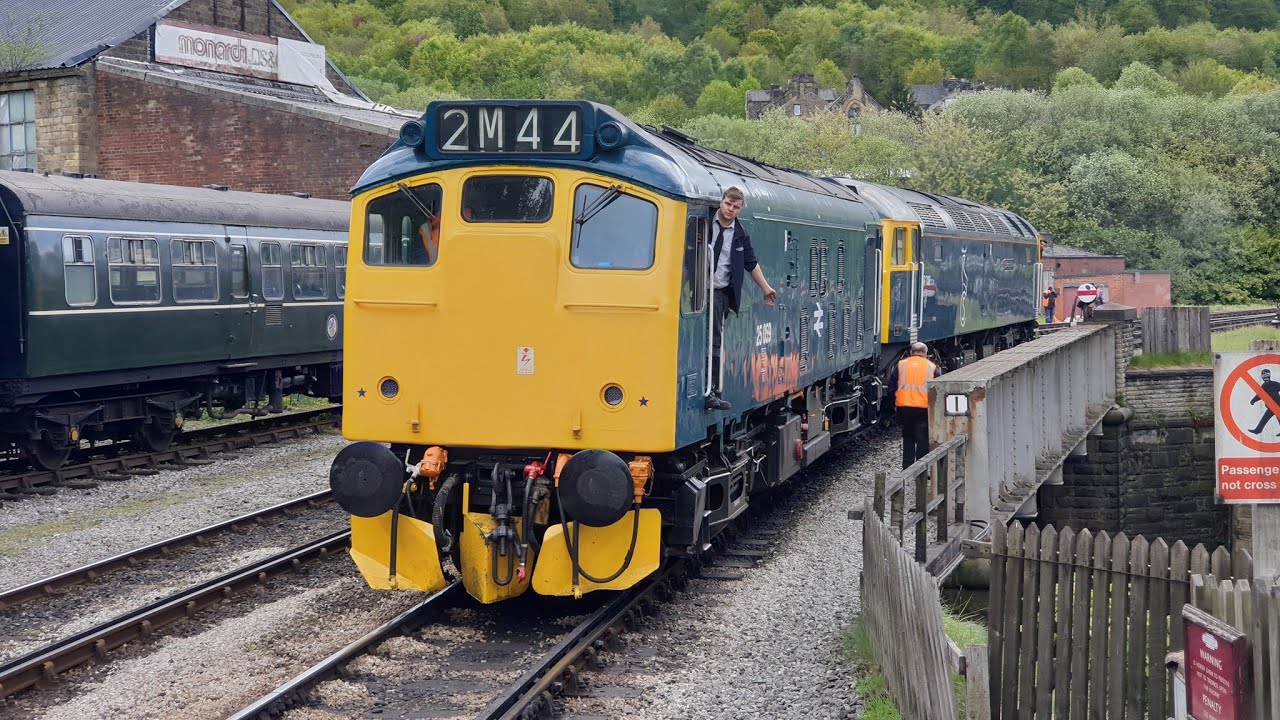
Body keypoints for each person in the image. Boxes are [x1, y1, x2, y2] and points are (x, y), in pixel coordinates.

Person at [706, 186, 777, 411]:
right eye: (728, 204)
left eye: (736, 207)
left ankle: (714, 390)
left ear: (740, 209)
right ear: (722, 202)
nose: (730, 210)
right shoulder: (704, 222)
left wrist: (766, 288)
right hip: (696, 290)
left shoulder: (739, 234)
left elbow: (751, 263)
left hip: (719, 293)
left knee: (715, 340)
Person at [891, 342, 942, 469]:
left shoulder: (901, 365)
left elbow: (892, 388)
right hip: (923, 409)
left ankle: (907, 466)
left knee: (908, 436)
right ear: (925, 354)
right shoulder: (932, 367)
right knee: (922, 438)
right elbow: (939, 389)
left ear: (911, 352)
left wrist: (892, 406)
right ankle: (921, 468)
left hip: (904, 408)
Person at [1249, 368, 1280, 435]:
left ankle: (1258, 430)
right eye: (1263, 375)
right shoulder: (1264, 386)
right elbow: (1260, 395)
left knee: (1269, 418)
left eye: (1266, 375)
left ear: (1269, 375)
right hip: (1271, 406)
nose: (1265, 377)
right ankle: (1258, 430)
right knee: (1265, 418)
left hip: (1278, 405)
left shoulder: (1275, 384)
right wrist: (1253, 400)